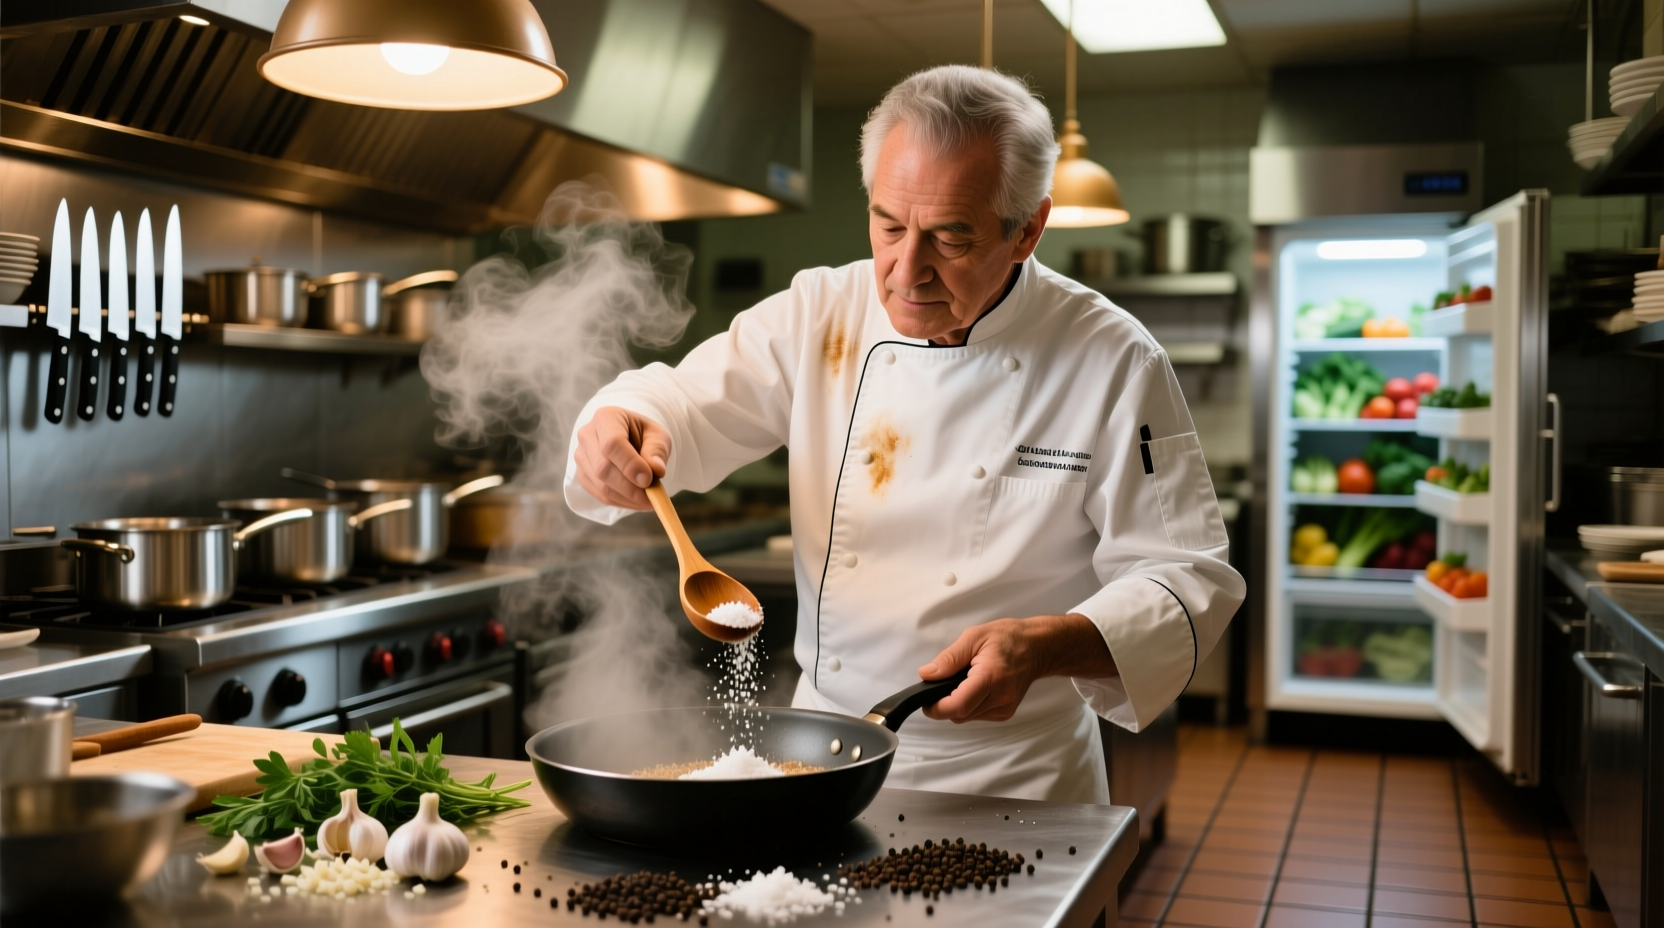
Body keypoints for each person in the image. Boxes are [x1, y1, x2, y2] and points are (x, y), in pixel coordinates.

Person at [565, 65, 1244, 804]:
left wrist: (1049, 644)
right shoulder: (819, 312)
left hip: (1017, 781)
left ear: (1028, 230)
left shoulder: (1114, 357)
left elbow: (1187, 578)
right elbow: (677, 399)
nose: (905, 271)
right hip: (826, 762)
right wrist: (625, 419)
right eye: (889, 225)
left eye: (951, 237)